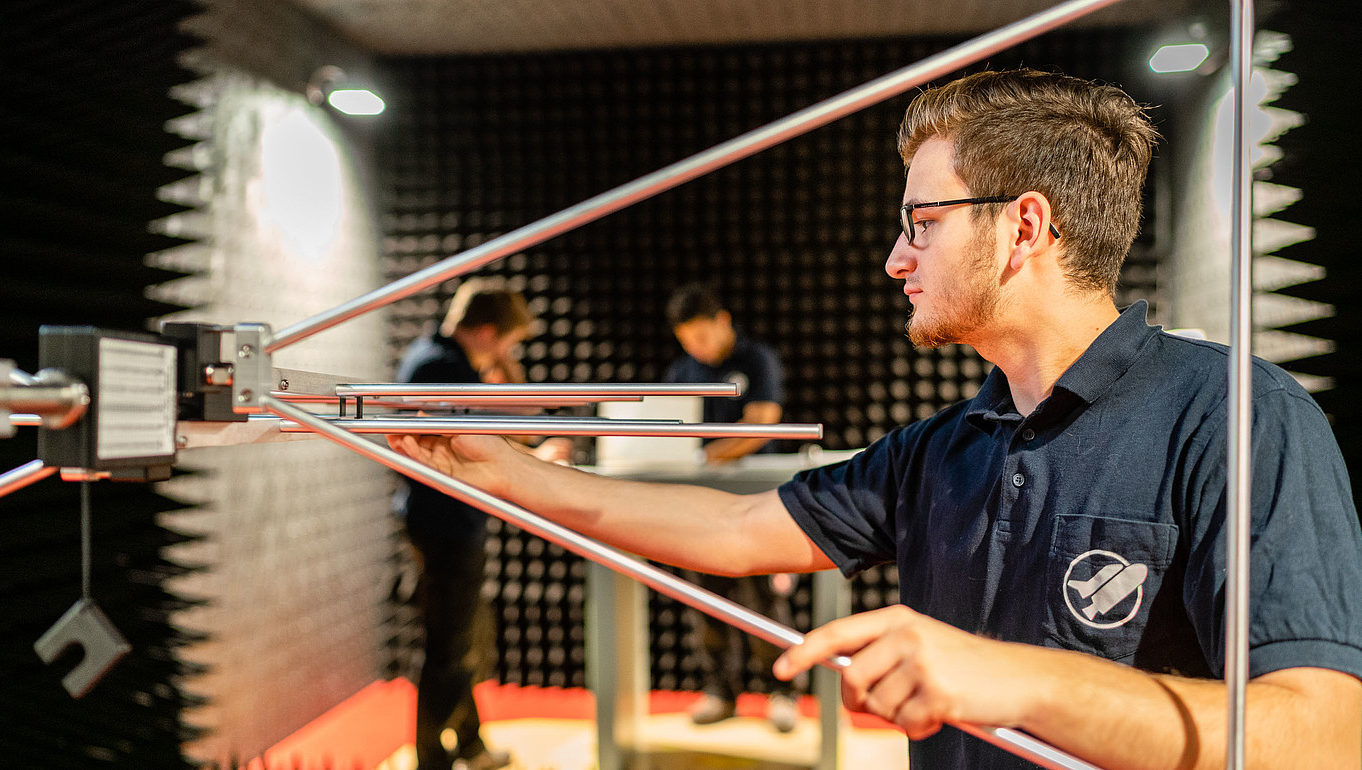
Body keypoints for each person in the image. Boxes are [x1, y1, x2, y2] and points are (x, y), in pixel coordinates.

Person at [390, 69, 1362, 769]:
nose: (897, 259)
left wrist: (1004, 675)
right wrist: (503, 470)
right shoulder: (941, 448)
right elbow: (732, 528)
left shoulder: (1238, 416)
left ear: (1025, 225)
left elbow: (1318, 739)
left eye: (922, 223)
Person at [393, 278, 568, 770]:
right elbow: (516, 421)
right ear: (487, 332)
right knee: (449, 650)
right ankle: (431, 759)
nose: (512, 350)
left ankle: (469, 743)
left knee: (467, 641)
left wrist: (498, 362)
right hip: (447, 525)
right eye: (510, 340)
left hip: (443, 521)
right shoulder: (442, 368)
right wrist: (536, 456)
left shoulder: (440, 359)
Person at [661, 283, 801, 732]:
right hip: (702, 501)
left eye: (702, 336)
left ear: (722, 321)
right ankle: (720, 691)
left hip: (760, 496)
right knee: (707, 599)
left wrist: (701, 457)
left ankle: (782, 691)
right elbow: (669, 429)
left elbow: (761, 425)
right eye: (688, 341)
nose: (696, 349)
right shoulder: (683, 372)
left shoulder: (756, 359)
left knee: (765, 600)